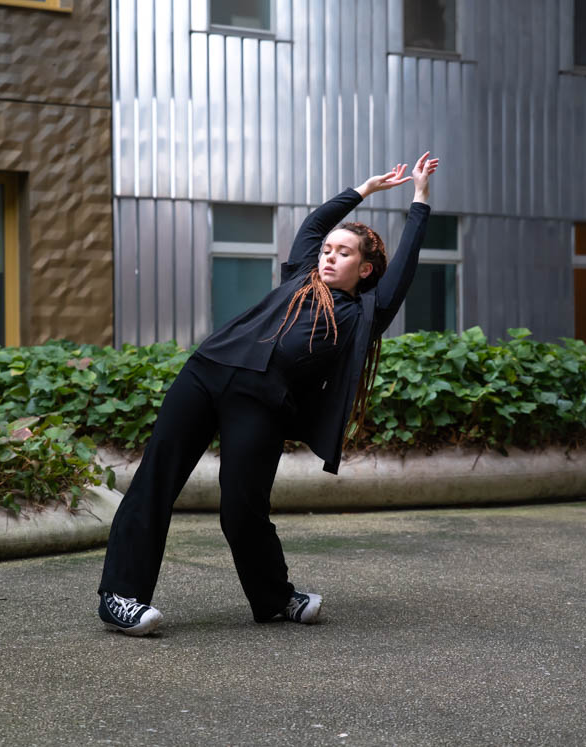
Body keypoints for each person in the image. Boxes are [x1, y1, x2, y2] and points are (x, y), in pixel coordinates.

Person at [98, 151, 440, 635]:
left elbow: (403, 269)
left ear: (365, 270)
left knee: (243, 507)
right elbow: (314, 222)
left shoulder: (365, 313)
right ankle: (121, 597)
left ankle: (274, 598)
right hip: (207, 372)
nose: (329, 255)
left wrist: (420, 199)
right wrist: (362, 191)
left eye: (344, 253)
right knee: (157, 480)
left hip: (262, 403)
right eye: (328, 249)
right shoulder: (301, 274)